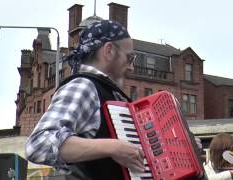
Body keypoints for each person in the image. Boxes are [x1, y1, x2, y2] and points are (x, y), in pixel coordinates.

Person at [25, 20, 144, 180]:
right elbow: (38, 145)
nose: (131, 67)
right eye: (129, 58)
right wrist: (114, 147)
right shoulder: (84, 85)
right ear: (109, 51)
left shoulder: (111, 93)